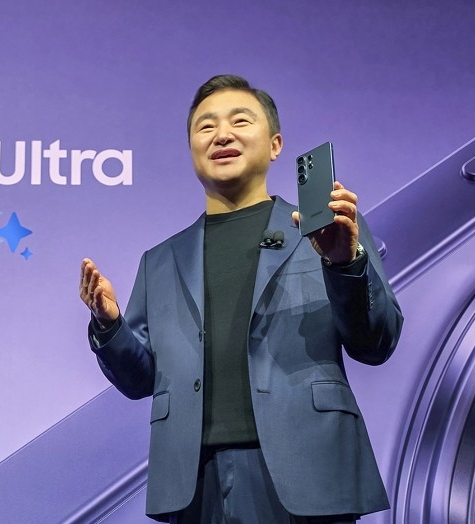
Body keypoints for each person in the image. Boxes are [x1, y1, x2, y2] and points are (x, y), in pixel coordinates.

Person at [78, 75, 403, 523]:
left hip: (308, 468)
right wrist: (109, 324)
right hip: (196, 486)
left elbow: (376, 343)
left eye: (240, 121)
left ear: (275, 145)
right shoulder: (161, 260)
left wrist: (344, 263)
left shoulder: (328, 230)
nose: (222, 135)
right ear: (192, 149)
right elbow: (139, 380)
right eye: (206, 126)